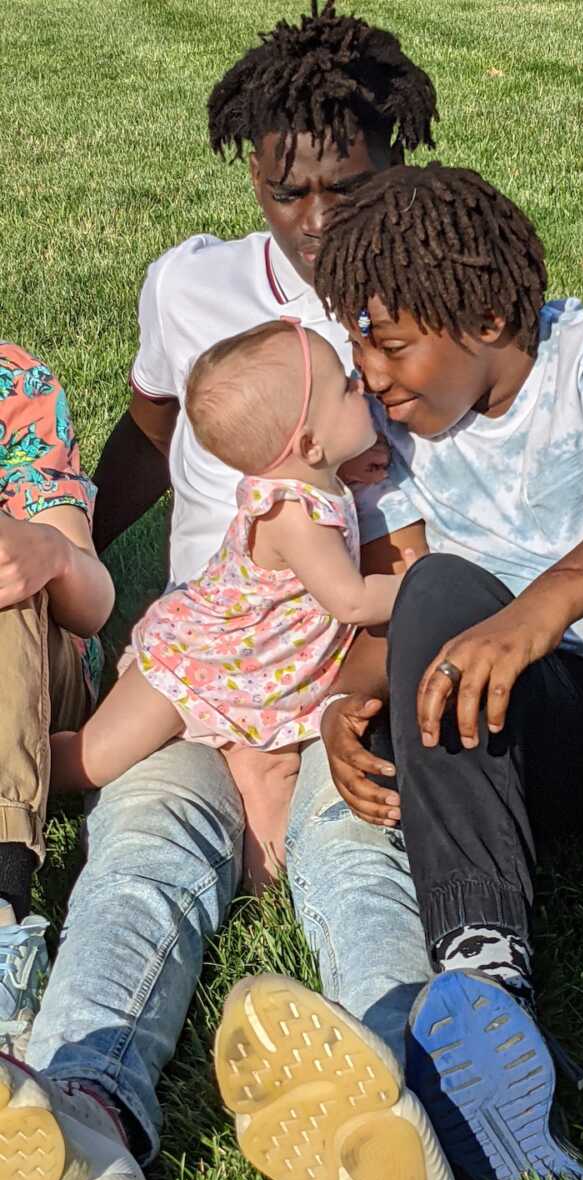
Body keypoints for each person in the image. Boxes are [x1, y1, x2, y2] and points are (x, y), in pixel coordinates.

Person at [244, 161, 583, 1180]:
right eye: (359, 343)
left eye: (391, 343)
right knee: (436, 590)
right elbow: (402, 612)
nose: (373, 375)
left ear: (491, 314)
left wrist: (544, 606)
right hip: (533, 748)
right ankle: (483, 978)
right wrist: (344, 710)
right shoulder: (402, 442)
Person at [0, 8, 453, 1180]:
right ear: (249, 171)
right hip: (203, 671)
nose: (312, 223)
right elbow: (147, 439)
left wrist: (361, 703)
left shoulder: (417, 318)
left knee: (360, 860)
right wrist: (66, 558)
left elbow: (417, 550)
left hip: (331, 682)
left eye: (344, 190)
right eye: (281, 190)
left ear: (393, 164)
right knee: (140, 860)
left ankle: (404, 1098)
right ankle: (77, 1111)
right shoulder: (190, 285)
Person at [52, 319, 416, 888]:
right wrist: (420, 583)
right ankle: (27, 768)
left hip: (259, 677)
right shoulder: (292, 514)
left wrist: (347, 469)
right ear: (309, 444)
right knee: (92, 760)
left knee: (271, 774)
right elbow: (349, 600)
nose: (360, 386)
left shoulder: (311, 479)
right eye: (346, 386)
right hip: (195, 664)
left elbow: (321, 480)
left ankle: (267, 897)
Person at [0, 343, 114, 1058]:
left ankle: (3, 915)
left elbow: (93, 605)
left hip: (36, 668)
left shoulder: (15, 384)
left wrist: (56, 555)